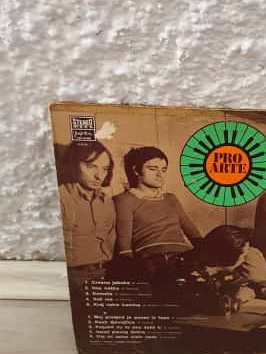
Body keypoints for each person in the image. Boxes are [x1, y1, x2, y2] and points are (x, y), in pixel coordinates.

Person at [113, 146, 202, 277]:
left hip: (185, 256)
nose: (160, 174)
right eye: (153, 169)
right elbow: (124, 244)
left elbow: (192, 231)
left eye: (163, 170)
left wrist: (206, 254)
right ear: (136, 170)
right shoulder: (123, 199)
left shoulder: (170, 198)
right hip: (154, 261)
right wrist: (133, 272)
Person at [58, 141, 116, 336]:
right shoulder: (60, 199)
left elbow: (111, 240)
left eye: (105, 168)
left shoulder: (106, 201)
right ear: (74, 165)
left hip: (105, 275)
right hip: (74, 279)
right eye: (91, 166)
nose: (99, 175)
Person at [169, 225, 254, 315]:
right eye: (243, 256)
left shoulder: (220, 269)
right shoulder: (187, 270)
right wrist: (239, 298)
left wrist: (258, 289)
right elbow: (215, 307)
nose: (243, 260)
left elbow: (241, 282)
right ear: (227, 256)